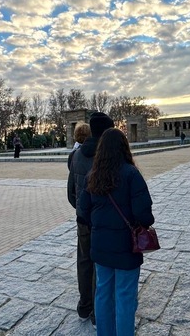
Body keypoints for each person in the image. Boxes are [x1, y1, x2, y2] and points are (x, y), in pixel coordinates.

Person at [77, 128, 155, 336]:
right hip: (126, 247)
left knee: (102, 293)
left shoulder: (92, 176)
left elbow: (82, 212)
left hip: (101, 246)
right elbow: (144, 214)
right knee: (125, 296)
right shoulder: (131, 174)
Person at [67, 112, 115, 327]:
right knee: (101, 266)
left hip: (82, 220)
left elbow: (70, 192)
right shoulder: (107, 157)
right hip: (103, 221)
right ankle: (98, 312)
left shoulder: (75, 156)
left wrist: (80, 211)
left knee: (84, 262)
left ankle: (84, 307)